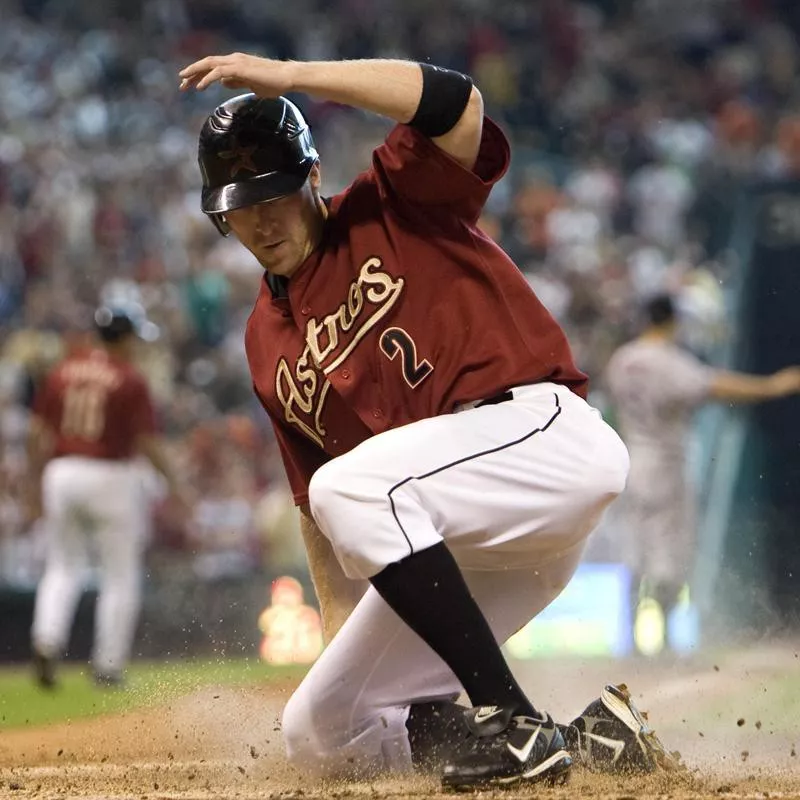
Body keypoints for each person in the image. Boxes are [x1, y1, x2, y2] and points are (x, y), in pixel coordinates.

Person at [178, 53, 677, 789]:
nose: (260, 219)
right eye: (240, 205)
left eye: (275, 193)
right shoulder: (264, 340)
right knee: (319, 729)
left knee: (352, 488)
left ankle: (512, 722)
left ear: (312, 177)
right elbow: (321, 514)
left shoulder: (395, 202)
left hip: (545, 440)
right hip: (463, 537)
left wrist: (291, 77)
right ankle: (593, 740)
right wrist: (356, 655)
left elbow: (455, 104)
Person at [605, 293, 800, 652]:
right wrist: (771, 386)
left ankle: (630, 638)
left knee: (634, 553)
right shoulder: (667, 360)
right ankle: (662, 636)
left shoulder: (621, 359)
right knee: (669, 558)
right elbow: (713, 385)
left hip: (631, 463)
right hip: (666, 466)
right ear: (671, 322)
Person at [27, 307, 189, 688]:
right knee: (119, 575)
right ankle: (108, 665)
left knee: (63, 566)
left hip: (61, 471)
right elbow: (147, 441)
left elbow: (37, 432)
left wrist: (34, 482)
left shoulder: (64, 370)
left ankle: (46, 639)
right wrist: (176, 484)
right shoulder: (129, 379)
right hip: (110, 475)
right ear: (124, 338)